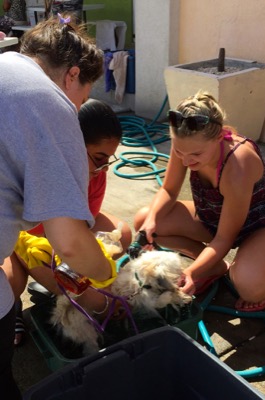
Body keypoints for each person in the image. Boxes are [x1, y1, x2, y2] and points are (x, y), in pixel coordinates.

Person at [0, 15, 112, 399]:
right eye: (82, 98)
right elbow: (69, 243)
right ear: (72, 75)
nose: (76, 108)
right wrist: (105, 276)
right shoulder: (49, 101)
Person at [133, 90, 265, 313]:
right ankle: (214, 268)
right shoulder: (186, 144)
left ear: (220, 137)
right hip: (215, 216)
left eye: (196, 155)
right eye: (180, 152)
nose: (186, 160)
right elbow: (169, 189)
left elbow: (223, 239)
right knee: (146, 220)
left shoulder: (239, 163)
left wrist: (191, 273)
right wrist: (151, 220)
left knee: (249, 285)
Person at [3, 99, 132, 346]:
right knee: (11, 284)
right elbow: (41, 235)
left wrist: (84, 269)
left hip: (59, 237)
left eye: (108, 160)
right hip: (21, 238)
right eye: (98, 158)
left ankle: (60, 286)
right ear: (71, 144)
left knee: (121, 234)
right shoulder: (41, 172)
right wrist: (87, 276)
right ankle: (14, 308)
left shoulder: (96, 175)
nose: (103, 168)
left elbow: (82, 224)